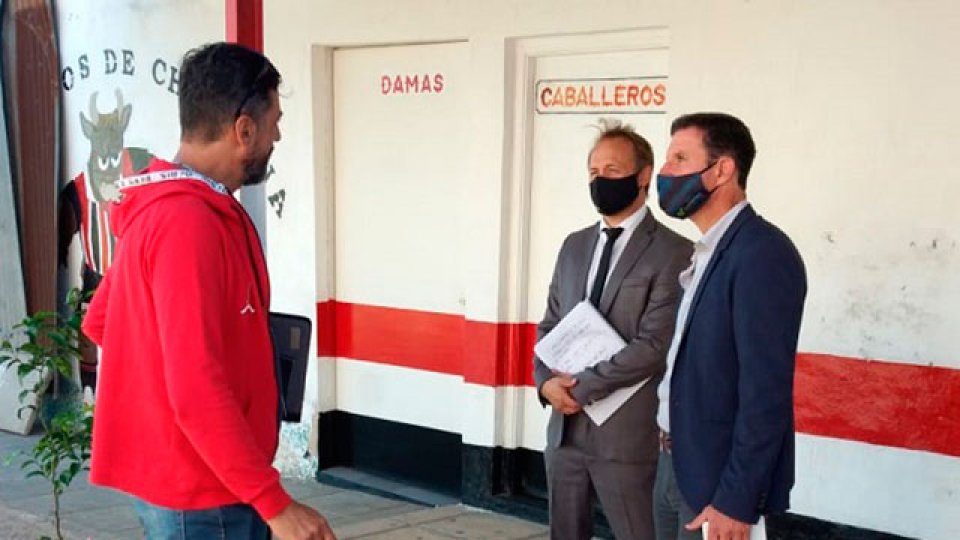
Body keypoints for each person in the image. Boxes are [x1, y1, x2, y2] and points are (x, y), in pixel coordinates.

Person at [82, 42, 336, 540]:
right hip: (204, 497)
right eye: (274, 122)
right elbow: (194, 387)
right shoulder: (187, 223)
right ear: (244, 130)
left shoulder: (163, 206)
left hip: (192, 485)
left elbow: (103, 321)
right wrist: (275, 504)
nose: (278, 135)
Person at [533, 119, 692, 540]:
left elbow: (654, 345)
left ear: (643, 176)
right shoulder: (574, 245)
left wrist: (580, 388)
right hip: (565, 433)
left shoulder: (674, 252)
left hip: (627, 437)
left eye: (613, 171)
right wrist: (545, 383)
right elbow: (550, 325)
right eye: (593, 172)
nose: (600, 180)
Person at [652, 112, 806, 540]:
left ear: (722, 170)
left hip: (715, 482)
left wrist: (737, 499)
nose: (665, 172)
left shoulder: (761, 254)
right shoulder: (706, 251)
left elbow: (765, 393)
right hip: (673, 464)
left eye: (680, 159)